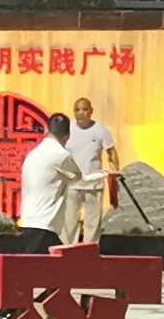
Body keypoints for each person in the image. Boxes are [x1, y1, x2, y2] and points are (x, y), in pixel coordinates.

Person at [61, 90, 121, 246]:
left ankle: (89, 251)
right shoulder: (67, 128)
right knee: (69, 222)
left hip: (94, 184)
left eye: (84, 109)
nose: (81, 113)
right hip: (72, 183)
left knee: (93, 222)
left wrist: (115, 171)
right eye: (77, 110)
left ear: (91, 111)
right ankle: (68, 250)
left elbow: (111, 152)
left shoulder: (100, 129)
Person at [14, 112, 75, 253]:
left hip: (30, 218)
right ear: (67, 136)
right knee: (35, 264)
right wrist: (105, 174)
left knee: (55, 263)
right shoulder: (62, 155)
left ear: (46, 130)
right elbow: (79, 178)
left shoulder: (33, 153)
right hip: (45, 222)